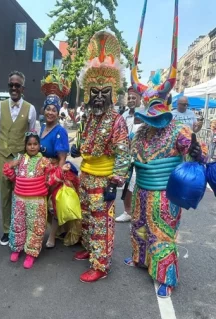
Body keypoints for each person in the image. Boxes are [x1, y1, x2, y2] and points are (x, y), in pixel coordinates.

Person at [126, 0, 208, 298]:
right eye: (150, 116)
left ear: (167, 111)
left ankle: (165, 278)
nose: (154, 121)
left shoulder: (179, 129)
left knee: (162, 233)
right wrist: (119, 180)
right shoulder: (140, 132)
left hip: (164, 193)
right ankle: (139, 260)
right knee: (138, 227)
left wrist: (197, 152)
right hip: (141, 192)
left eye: (157, 116)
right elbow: (129, 161)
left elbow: (197, 151)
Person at [70, 31, 130, 283]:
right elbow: (82, 142)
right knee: (87, 219)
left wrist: (115, 182)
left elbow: (123, 153)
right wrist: (76, 147)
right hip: (86, 175)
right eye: (94, 91)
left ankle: (101, 264)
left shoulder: (116, 121)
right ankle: (89, 248)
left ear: (112, 93)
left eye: (104, 91)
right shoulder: (88, 118)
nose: (98, 97)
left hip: (103, 180)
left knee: (101, 224)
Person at [3, 132, 71, 269]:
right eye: (29, 144)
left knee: (35, 227)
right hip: (19, 199)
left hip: (37, 200)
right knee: (18, 224)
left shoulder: (45, 162)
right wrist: (10, 166)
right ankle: (17, 248)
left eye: (35, 144)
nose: (32, 147)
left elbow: (51, 179)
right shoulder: (20, 159)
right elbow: (12, 177)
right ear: (25, 145)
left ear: (39, 146)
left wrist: (61, 170)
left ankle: (31, 253)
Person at [0, 71, 37, 246]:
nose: (14, 88)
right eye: (11, 85)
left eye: (17, 85)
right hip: (4, 157)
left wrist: (22, 156)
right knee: (4, 195)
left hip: (21, 159)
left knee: (22, 196)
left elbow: (31, 134)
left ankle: (22, 229)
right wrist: (5, 148)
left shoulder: (30, 108)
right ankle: (6, 229)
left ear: (22, 88)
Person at [40, 89, 80, 248]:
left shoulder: (60, 131)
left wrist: (58, 176)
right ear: (44, 109)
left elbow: (62, 158)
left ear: (58, 113)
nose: (50, 112)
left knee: (53, 204)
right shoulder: (40, 127)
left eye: (54, 110)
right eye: (48, 108)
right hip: (41, 171)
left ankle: (52, 236)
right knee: (40, 203)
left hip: (57, 170)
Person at [115, 87, 142, 223]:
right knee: (127, 183)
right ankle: (127, 211)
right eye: (129, 98)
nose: (131, 100)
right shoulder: (124, 115)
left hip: (140, 156)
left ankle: (137, 213)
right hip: (126, 154)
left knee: (136, 184)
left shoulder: (144, 114)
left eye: (134, 98)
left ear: (139, 99)